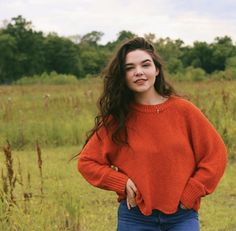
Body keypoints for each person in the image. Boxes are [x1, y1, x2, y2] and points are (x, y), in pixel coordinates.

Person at [77, 37, 227, 231]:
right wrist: (120, 182)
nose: (138, 72)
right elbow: (87, 162)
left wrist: (194, 190)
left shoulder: (184, 111)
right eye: (129, 68)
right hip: (134, 218)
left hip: (182, 217)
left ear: (156, 69)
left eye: (145, 65)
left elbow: (216, 154)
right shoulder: (118, 119)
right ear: (123, 76)